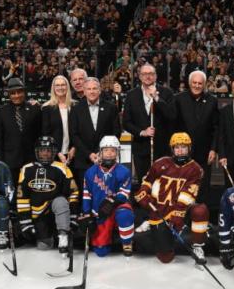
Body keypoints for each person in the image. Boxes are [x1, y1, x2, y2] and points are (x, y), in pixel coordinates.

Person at [134, 132, 210, 264]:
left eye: (183, 147)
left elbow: (188, 194)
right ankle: (150, 223)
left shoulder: (196, 169)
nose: (180, 151)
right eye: (177, 147)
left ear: (189, 149)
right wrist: (143, 194)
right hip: (160, 210)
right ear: (172, 149)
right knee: (165, 258)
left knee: (200, 210)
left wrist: (178, 214)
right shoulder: (160, 163)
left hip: (182, 209)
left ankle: (198, 246)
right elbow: (147, 181)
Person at [16, 136, 79, 254]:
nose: (45, 153)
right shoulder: (26, 169)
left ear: (54, 152)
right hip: (38, 215)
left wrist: (73, 218)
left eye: (48, 150)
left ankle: (63, 236)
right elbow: (22, 199)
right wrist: (26, 223)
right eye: (42, 150)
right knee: (44, 246)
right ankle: (53, 235)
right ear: (37, 151)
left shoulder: (62, 168)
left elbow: (73, 194)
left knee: (60, 201)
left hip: (57, 210)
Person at [78, 136, 135, 257]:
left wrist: (112, 202)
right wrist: (87, 214)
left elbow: (124, 193)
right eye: (106, 150)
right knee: (101, 251)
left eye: (113, 150)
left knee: (125, 214)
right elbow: (87, 194)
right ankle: (107, 232)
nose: (109, 153)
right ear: (100, 152)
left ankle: (127, 241)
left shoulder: (124, 171)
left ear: (117, 153)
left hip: (116, 208)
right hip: (99, 212)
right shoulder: (90, 172)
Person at [123, 63, 176, 184]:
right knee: (145, 182)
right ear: (140, 76)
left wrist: (157, 98)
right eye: (145, 74)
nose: (148, 77)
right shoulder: (132, 95)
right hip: (140, 148)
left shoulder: (166, 93)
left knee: (162, 183)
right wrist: (142, 132)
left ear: (156, 76)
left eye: (151, 74)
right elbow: (126, 122)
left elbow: (172, 115)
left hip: (162, 148)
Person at [69, 77, 122, 197]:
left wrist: (101, 152)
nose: (92, 91)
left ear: (100, 90)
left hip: (106, 159)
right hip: (83, 159)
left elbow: (116, 132)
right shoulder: (76, 109)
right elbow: (74, 135)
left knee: (106, 194)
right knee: (85, 195)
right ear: (84, 90)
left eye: (94, 88)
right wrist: (89, 153)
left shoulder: (111, 107)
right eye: (89, 89)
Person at [173, 70, 219, 204]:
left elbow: (216, 127)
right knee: (182, 186)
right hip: (182, 152)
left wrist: (213, 149)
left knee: (203, 186)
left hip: (204, 153)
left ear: (204, 84)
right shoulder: (178, 99)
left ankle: (201, 216)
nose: (197, 86)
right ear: (189, 83)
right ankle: (181, 218)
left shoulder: (212, 100)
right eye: (194, 83)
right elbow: (173, 125)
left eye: (200, 83)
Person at [0, 78, 42, 183]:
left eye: (19, 92)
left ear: (24, 92)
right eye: (13, 93)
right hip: (9, 161)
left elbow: (39, 134)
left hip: (31, 160)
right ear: (9, 95)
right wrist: (0, 161)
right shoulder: (0, 113)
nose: (16, 95)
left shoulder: (35, 109)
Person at [41, 75, 76, 165]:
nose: (60, 88)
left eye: (63, 85)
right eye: (57, 85)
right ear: (53, 88)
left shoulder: (75, 106)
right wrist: (57, 152)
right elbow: (46, 133)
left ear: (67, 87)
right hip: (54, 155)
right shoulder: (46, 108)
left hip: (74, 154)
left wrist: (74, 148)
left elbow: (80, 131)